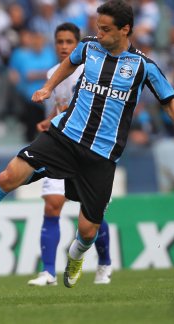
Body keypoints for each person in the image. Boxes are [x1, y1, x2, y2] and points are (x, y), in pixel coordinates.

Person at [0, 0, 174, 289]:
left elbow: (168, 99)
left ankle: (75, 255)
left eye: (105, 29)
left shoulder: (143, 66)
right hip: (64, 137)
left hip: (100, 156)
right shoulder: (89, 47)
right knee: (9, 175)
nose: (99, 34)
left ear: (125, 29)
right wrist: (48, 87)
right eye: (97, 28)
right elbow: (69, 63)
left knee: (88, 231)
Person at [27, 22, 112, 287]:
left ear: (79, 46)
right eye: (59, 42)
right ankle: (48, 272)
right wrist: (48, 121)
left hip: (86, 150)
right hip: (60, 147)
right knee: (52, 204)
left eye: (69, 42)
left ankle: (104, 263)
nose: (64, 47)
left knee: (90, 213)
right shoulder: (54, 73)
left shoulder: (90, 70)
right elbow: (61, 108)